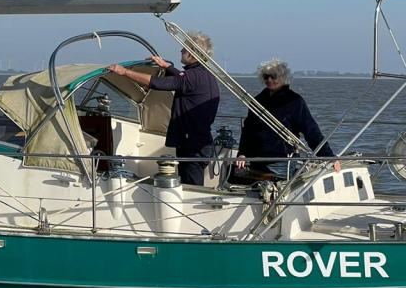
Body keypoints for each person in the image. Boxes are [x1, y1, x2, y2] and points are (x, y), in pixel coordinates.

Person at [107, 31, 220, 185]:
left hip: (192, 145)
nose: (181, 50)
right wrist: (167, 66)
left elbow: (157, 83)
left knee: (192, 186)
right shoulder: (206, 75)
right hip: (201, 141)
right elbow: (182, 79)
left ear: (192, 53)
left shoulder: (191, 77)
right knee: (190, 182)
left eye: (184, 48)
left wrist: (124, 72)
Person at [236, 59, 340, 179]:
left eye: (273, 76)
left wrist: (329, 157)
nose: (269, 80)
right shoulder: (257, 101)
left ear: (283, 77)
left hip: (281, 161)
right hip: (257, 160)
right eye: (266, 76)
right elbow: (248, 130)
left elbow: (311, 131)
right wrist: (242, 153)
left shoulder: (295, 101)